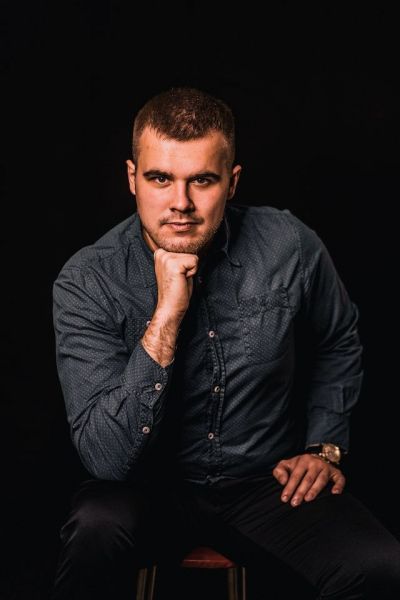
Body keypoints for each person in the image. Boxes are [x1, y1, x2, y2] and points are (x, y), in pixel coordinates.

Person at [51, 87, 400, 599]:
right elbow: (105, 457)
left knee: (383, 568)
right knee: (94, 529)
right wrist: (167, 314)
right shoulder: (87, 280)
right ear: (132, 178)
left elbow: (337, 339)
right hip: (146, 490)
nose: (181, 203)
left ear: (231, 182)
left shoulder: (288, 244)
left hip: (263, 485)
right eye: (160, 178)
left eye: (202, 180)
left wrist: (324, 446)